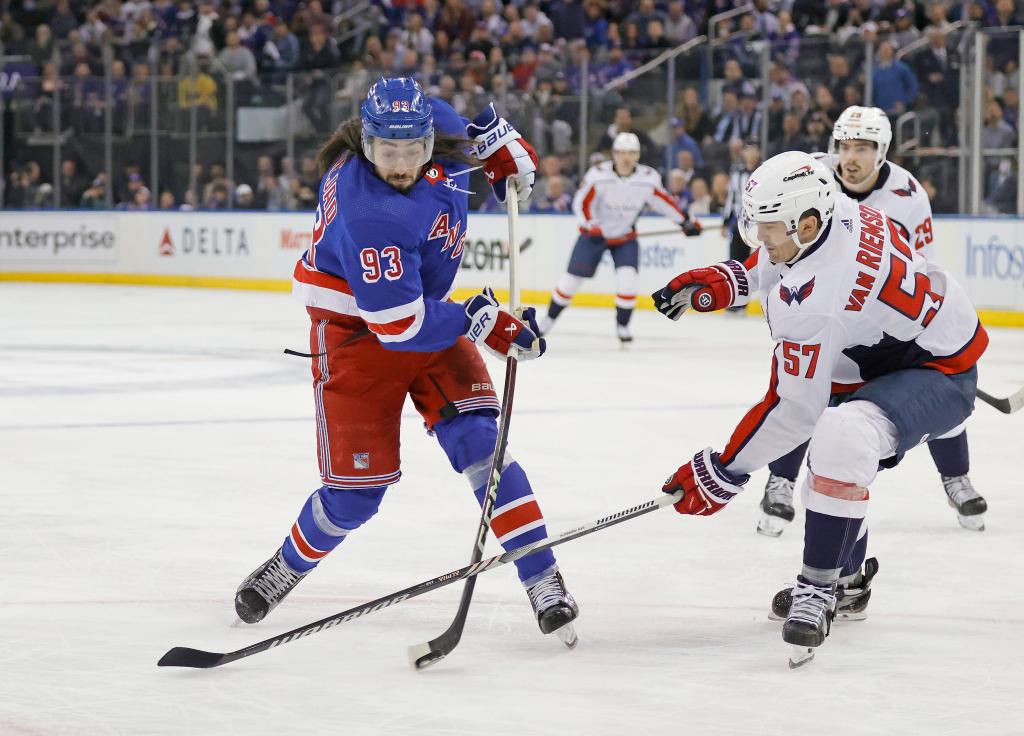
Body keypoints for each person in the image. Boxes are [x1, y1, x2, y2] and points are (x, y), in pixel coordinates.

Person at [234, 77, 579, 646]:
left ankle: (543, 578)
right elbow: (399, 328)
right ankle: (286, 567)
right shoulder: (370, 214)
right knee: (355, 495)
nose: (401, 164)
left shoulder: (429, 122)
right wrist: (481, 319)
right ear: (366, 145)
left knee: (481, 446)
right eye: (387, 152)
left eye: (413, 150)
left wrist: (498, 147)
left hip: (424, 314)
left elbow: (468, 130)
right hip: (358, 338)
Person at [651, 150, 988, 666]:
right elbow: (787, 257)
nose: (759, 238)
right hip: (903, 342)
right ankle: (849, 579)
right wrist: (731, 282)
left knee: (839, 436)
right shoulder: (831, 208)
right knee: (836, 445)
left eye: (771, 228)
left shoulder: (818, 301)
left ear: (808, 223)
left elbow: (792, 411)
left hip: (938, 370)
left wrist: (723, 472)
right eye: (756, 223)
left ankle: (819, 587)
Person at [757, 106, 988, 537]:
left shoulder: (908, 195)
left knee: (939, 393)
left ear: (882, 151)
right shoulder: (809, 178)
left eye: (862, 147)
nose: (851, 157)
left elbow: (922, 269)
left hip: (882, 326)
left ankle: (956, 478)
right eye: (844, 146)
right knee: (802, 391)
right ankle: (781, 482)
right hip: (824, 312)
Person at [538, 133, 702, 344]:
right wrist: (591, 224)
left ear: (638, 155)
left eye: (631, 153)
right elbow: (582, 203)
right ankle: (547, 322)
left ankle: (623, 326)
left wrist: (684, 221)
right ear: (614, 154)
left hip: (625, 238)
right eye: (622, 153)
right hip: (594, 236)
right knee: (570, 282)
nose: (626, 157)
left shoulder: (648, 178)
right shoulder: (598, 175)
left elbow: (664, 202)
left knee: (628, 283)